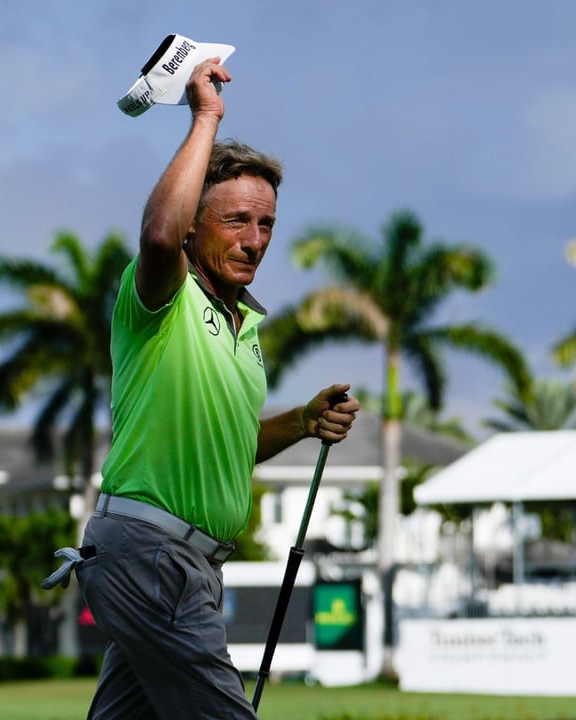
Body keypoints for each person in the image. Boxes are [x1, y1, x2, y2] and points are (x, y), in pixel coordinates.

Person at [73, 57, 359, 718]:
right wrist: (205, 117)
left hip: (187, 570)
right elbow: (156, 233)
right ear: (197, 227)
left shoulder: (246, 329)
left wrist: (301, 424)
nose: (255, 240)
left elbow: (226, 447)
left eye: (266, 225)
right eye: (236, 220)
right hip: (151, 558)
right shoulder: (162, 297)